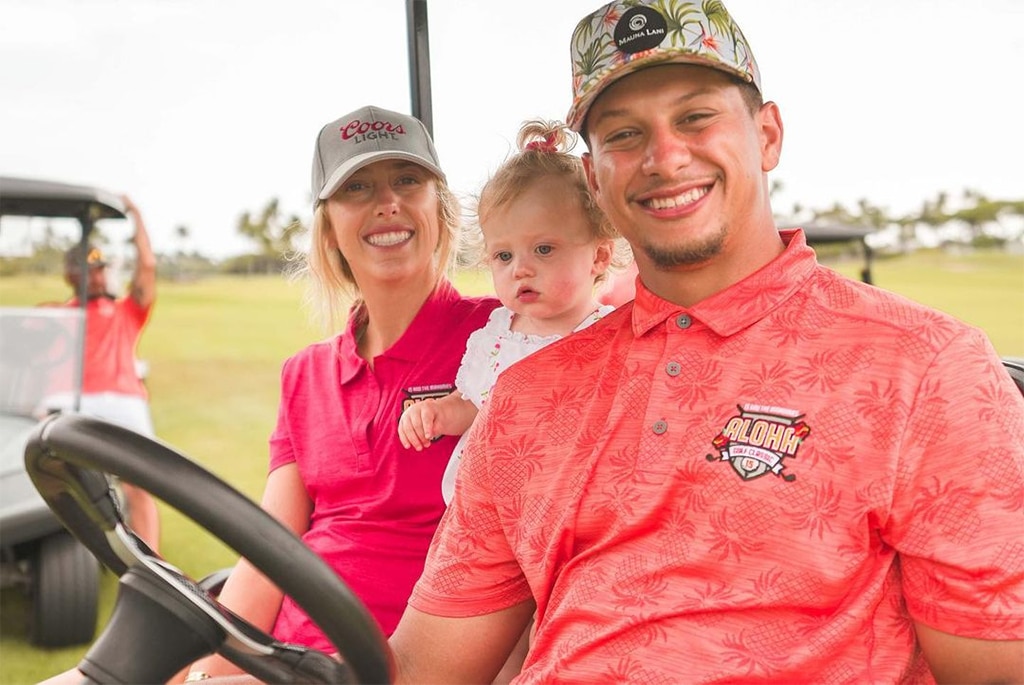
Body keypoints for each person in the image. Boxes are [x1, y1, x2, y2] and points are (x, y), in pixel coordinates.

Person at [387, 1, 1024, 683]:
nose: (665, 157)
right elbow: (425, 668)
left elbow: (993, 666)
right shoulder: (523, 398)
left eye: (695, 117)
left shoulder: (925, 366)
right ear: (595, 177)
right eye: (625, 135)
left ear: (768, 134)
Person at [179, 105, 499, 681]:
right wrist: (207, 668)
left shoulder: (502, 341)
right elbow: (270, 550)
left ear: (441, 209)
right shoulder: (304, 374)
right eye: (357, 187)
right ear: (329, 227)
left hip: (404, 662)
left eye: (407, 180)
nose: (387, 202)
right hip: (284, 660)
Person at [397, 119, 623, 507]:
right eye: (504, 255)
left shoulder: (609, 337)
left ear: (599, 256)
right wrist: (434, 412)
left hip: (567, 505)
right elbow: (471, 403)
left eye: (544, 249)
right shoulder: (498, 335)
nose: (520, 268)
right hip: (485, 507)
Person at [60, 196, 162, 553]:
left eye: (101, 267)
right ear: (72, 275)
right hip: (74, 402)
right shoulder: (61, 315)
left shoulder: (126, 311)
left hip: (124, 401)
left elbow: (146, 266)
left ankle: (154, 565)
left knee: (139, 483)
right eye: (90, 268)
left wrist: (136, 213)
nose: (99, 274)